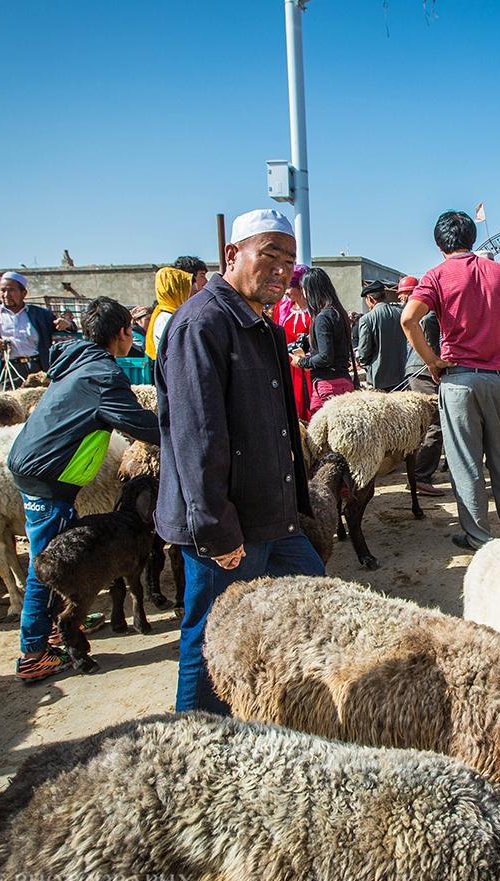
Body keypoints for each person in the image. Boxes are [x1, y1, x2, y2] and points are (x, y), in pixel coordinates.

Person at [156, 209, 323, 712]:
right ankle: (196, 744)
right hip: (227, 526)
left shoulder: (257, 324)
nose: (280, 270)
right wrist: (216, 529)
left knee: (313, 601)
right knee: (210, 637)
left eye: (289, 262)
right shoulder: (201, 324)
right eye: (268, 255)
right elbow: (196, 437)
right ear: (232, 255)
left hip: (272, 517)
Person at [7, 297, 160, 683]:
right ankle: (33, 652)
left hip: (44, 472)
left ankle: (63, 625)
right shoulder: (102, 375)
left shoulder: (79, 363)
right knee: (47, 566)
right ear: (124, 332)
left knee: (66, 556)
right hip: (48, 479)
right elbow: (139, 425)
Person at [400, 210, 500, 551]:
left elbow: (408, 320)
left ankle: (479, 537)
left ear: (439, 244)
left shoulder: (435, 276)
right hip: (499, 381)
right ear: (472, 238)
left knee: (465, 461)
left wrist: (432, 361)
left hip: (458, 381)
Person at [0, 271, 70, 389]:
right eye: (3, 290)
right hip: (7, 371)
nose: (6, 295)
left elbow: (62, 326)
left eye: (11, 290)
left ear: (24, 293)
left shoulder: (39, 314)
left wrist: (66, 324)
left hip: (37, 369)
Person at [399, 275, 445, 496]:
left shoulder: (414, 311)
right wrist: (436, 362)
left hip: (416, 369)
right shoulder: (428, 312)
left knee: (424, 425)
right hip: (426, 370)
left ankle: (417, 474)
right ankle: (420, 477)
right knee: (435, 423)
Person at [289, 267, 356, 416]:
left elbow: (325, 357)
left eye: (304, 289)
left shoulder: (322, 317)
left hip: (328, 386)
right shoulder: (339, 313)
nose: (304, 294)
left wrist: (301, 362)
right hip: (344, 381)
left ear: (312, 290)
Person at [275, 265, 313, 421]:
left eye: (289, 286)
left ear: (300, 287)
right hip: (289, 366)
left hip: (308, 365)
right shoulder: (282, 309)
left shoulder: (314, 310)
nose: (286, 291)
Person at [356, 279, 409, 391]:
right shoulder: (400, 313)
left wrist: (366, 365)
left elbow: (364, 352)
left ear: (370, 299)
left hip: (379, 377)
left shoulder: (367, 319)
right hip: (402, 374)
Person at [144, 266, 193, 360]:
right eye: (186, 289)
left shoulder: (172, 315)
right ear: (175, 290)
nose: (190, 294)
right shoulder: (166, 318)